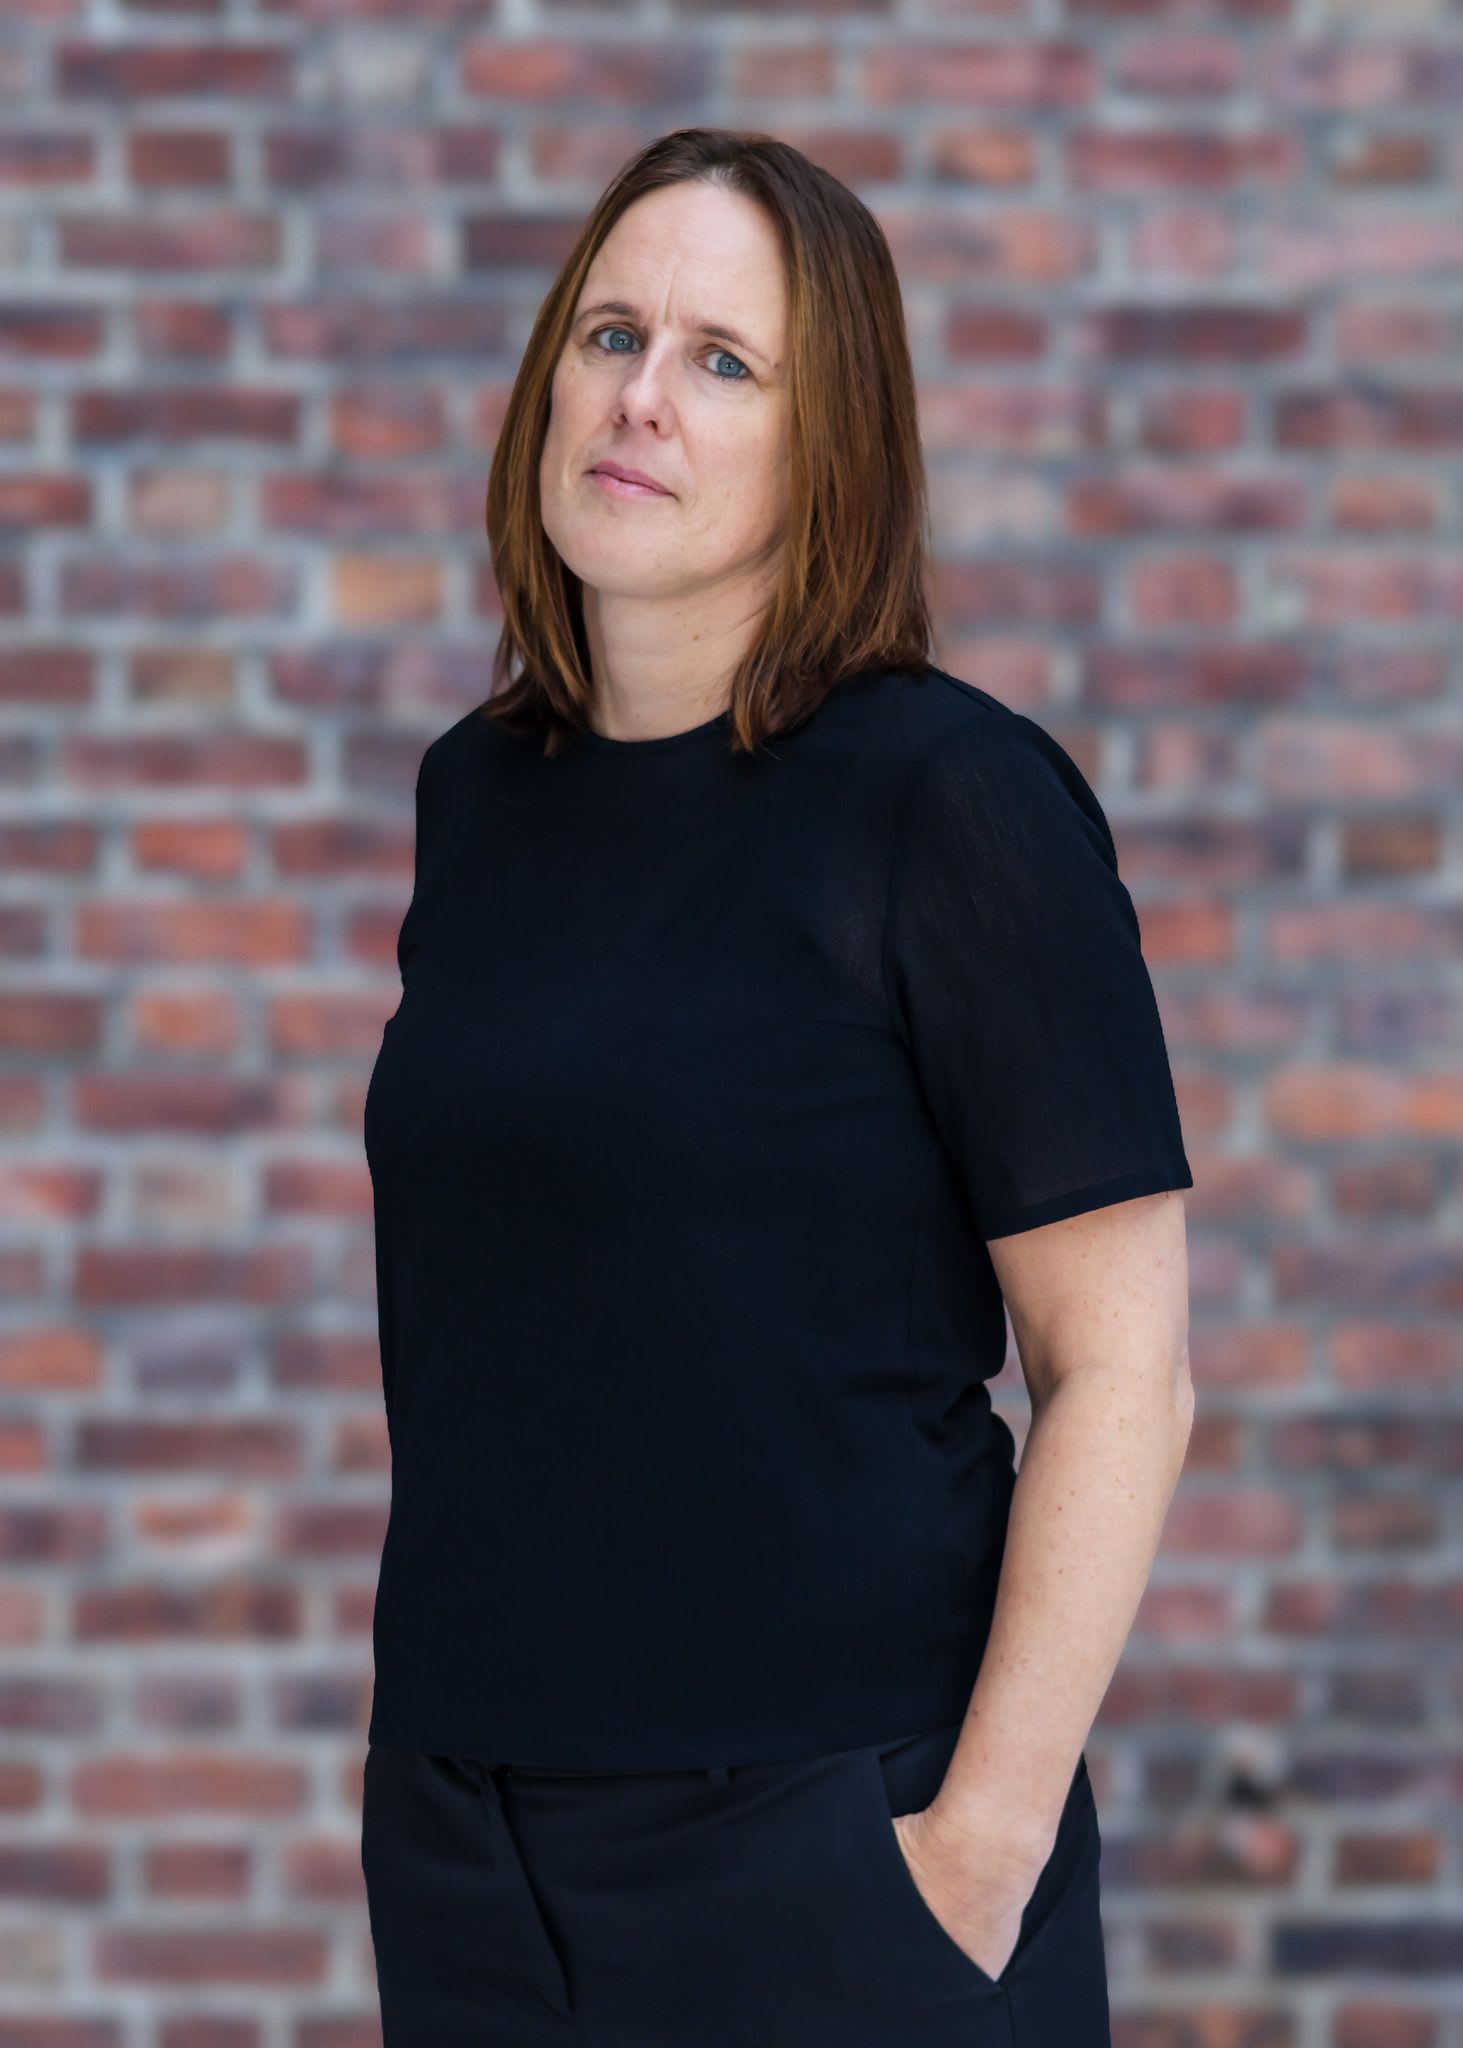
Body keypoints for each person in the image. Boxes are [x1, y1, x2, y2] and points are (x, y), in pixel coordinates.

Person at [359, 126, 1194, 2048]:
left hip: (835, 1840)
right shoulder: (479, 799)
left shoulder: (953, 802)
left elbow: (1124, 1374)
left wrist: (973, 1856)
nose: (642, 396)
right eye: (612, 335)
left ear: (835, 450)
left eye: (724, 362)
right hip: (472, 1854)